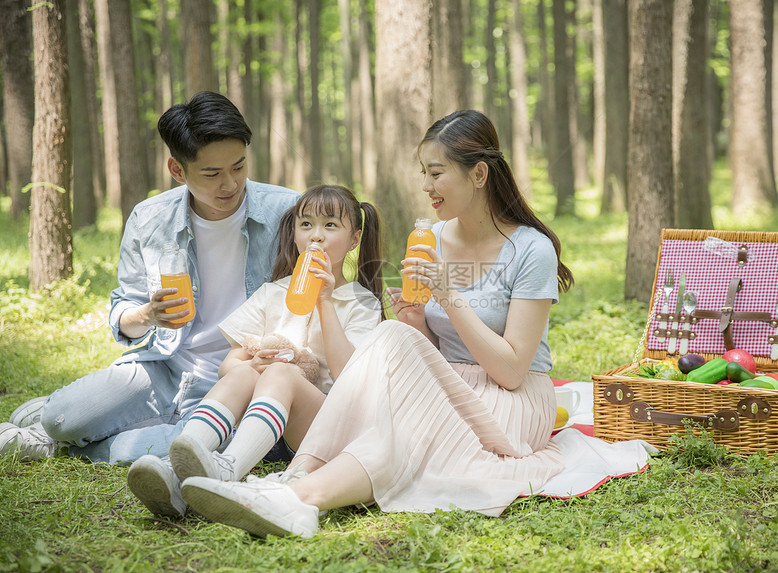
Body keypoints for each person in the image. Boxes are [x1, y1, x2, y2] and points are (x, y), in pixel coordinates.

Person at [179, 109, 576, 539]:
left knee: (397, 398)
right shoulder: (434, 238)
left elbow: (513, 371)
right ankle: (294, 488)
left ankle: (296, 494)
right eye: (423, 172)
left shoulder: (531, 250)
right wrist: (415, 322)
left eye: (436, 173)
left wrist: (447, 296)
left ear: (478, 174)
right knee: (391, 373)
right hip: (449, 386)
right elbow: (436, 352)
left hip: (508, 403)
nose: (425, 185)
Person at [0, 92, 301, 465]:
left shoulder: (289, 211)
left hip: (241, 381)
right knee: (62, 419)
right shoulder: (150, 218)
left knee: (211, 445)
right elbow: (124, 308)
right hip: (163, 366)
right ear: (178, 170)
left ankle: (59, 443)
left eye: (238, 167)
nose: (230, 184)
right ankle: (59, 420)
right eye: (212, 173)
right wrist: (146, 315)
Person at [127, 184, 384, 518]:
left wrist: (325, 302)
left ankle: (228, 470)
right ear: (294, 234)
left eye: (330, 225)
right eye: (306, 225)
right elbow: (228, 365)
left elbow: (350, 375)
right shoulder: (272, 293)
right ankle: (175, 469)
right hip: (266, 430)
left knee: (281, 373)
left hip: (325, 431)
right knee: (248, 369)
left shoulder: (360, 302)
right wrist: (255, 362)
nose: (315, 236)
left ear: (354, 239)